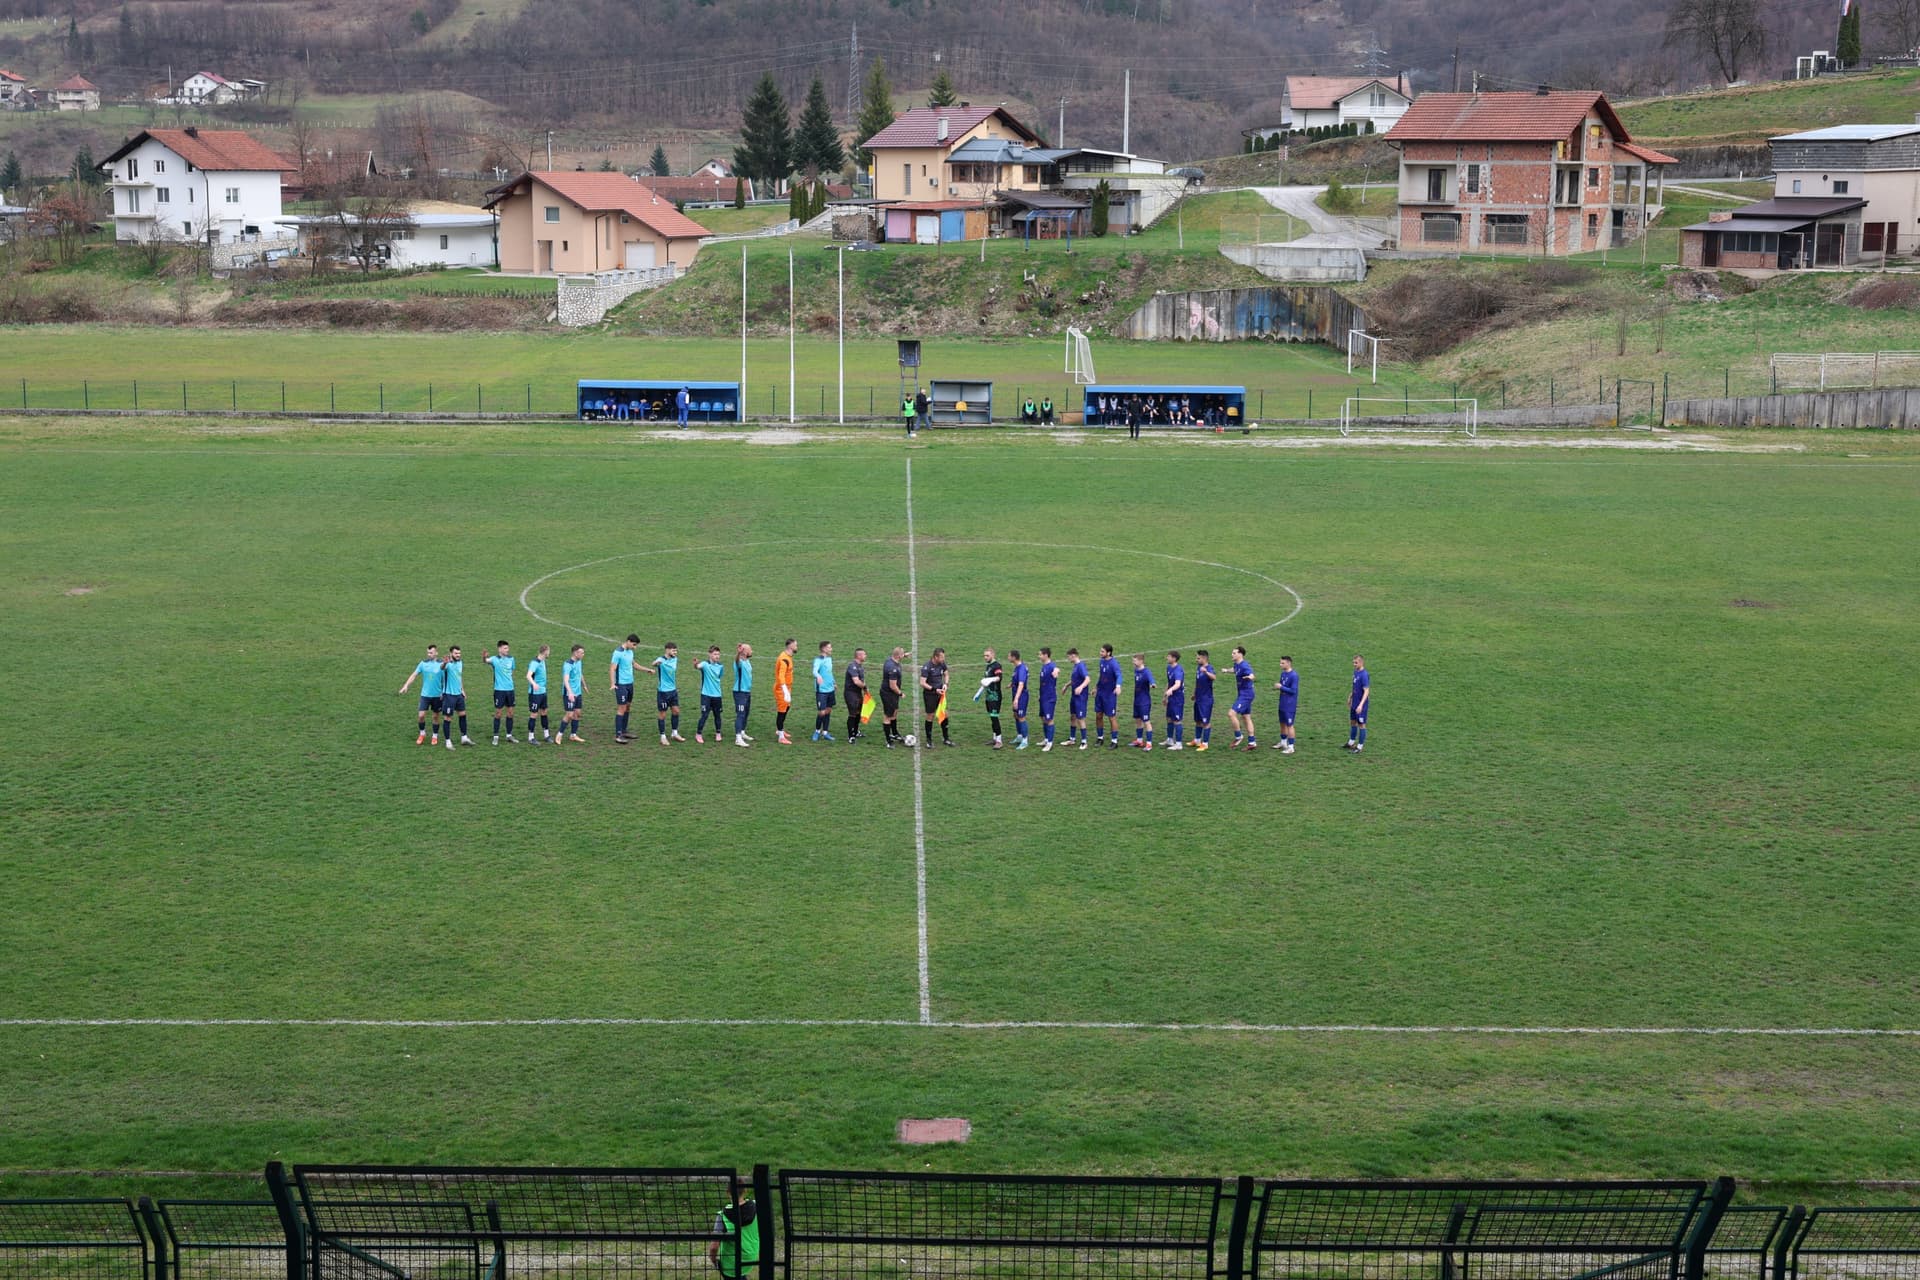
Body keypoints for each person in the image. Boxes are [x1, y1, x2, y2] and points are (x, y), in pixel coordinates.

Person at [708, 1179, 760, 1280]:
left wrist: (714, 1260)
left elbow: (714, 1247)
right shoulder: (757, 1206)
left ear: (728, 1192)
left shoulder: (722, 1216)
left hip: (730, 1265)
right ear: (745, 1191)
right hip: (751, 1258)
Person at [399, 643, 445, 745]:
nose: (429, 654)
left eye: (431, 652)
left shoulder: (442, 664)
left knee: (435, 717)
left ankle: (434, 736)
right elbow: (414, 675)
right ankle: (422, 733)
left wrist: (444, 692)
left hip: (437, 696)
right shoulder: (423, 664)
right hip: (425, 695)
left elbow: (446, 679)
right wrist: (406, 686)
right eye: (428, 652)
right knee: (421, 715)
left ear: (436, 653)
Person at [649, 641, 684, 745]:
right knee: (662, 714)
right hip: (663, 692)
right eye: (673, 650)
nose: (675, 652)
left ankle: (674, 733)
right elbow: (654, 663)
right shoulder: (661, 659)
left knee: (676, 711)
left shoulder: (675, 659)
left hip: (673, 691)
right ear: (667, 650)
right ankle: (662, 736)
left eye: (676, 650)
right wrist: (656, 664)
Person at [486, 640, 517, 746]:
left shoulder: (511, 659)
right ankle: (496, 736)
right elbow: (486, 661)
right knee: (498, 713)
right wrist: (484, 656)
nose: (507, 650)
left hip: (510, 690)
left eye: (507, 648)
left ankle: (509, 735)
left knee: (510, 712)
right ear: (499, 649)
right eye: (505, 648)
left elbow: (512, 672)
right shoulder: (494, 659)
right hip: (499, 690)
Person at [919, 646, 951, 747]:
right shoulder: (927, 667)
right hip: (930, 695)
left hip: (940, 694)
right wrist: (934, 689)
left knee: (944, 714)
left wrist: (945, 684)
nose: (943, 659)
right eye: (941, 657)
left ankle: (946, 738)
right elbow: (922, 683)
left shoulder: (942, 664)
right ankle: (929, 741)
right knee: (930, 715)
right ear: (935, 657)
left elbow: (946, 674)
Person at [695, 645, 727, 744]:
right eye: (715, 654)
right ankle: (698, 734)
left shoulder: (720, 666)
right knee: (704, 715)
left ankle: (718, 733)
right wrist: (695, 664)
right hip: (706, 695)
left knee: (717, 715)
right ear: (710, 654)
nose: (717, 656)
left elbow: (719, 677)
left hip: (717, 695)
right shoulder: (705, 664)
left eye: (718, 654)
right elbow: (697, 667)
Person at [440, 644, 470, 749]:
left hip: (458, 695)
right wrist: (444, 663)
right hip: (449, 695)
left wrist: (463, 690)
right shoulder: (447, 663)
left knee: (462, 714)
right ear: (451, 653)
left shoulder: (460, 663)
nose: (458, 655)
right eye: (456, 653)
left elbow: (459, 677)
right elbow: (441, 668)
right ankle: (448, 741)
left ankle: (464, 737)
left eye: (459, 653)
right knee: (448, 718)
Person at [610, 634, 638, 744]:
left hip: (629, 684)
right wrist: (613, 683)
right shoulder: (618, 653)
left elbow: (634, 664)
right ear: (628, 641)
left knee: (627, 707)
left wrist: (646, 670)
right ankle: (618, 735)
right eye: (634, 645)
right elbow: (612, 669)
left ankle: (624, 731)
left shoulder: (630, 652)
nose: (635, 647)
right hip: (621, 685)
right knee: (621, 708)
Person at [1230, 645, 1258, 751]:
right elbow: (1235, 670)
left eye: (1234, 653)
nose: (1232, 654)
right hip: (1244, 694)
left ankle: (1238, 736)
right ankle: (1252, 742)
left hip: (1246, 695)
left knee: (1231, 713)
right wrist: (1227, 671)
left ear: (1240, 654)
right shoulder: (1237, 665)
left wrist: (1250, 677)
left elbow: (1252, 674)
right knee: (1246, 717)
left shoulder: (1244, 665)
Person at [1095, 644, 1122, 748]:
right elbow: (1102, 676)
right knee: (1098, 715)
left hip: (1109, 695)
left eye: (1102, 651)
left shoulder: (1114, 664)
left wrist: (1118, 686)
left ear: (1108, 653)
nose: (1100, 653)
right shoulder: (1101, 661)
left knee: (1111, 717)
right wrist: (1096, 687)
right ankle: (1100, 738)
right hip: (1100, 693)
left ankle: (1114, 741)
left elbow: (1119, 675)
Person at [811, 640, 836, 742]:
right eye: (829, 647)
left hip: (830, 689)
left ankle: (825, 732)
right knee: (822, 712)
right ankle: (817, 731)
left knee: (828, 710)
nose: (831, 649)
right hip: (821, 690)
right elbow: (814, 671)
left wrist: (834, 682)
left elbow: (830, 672)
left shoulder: (829, 659)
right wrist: (818, 676)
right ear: (824, 649)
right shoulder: (818, 660)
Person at [773, 638, 797, 745]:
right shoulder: (784, 659)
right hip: (782, 689)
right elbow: (781, 675)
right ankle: (781, 736)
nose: (797, 647)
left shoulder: (788, 657)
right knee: (781, 712)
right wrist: (785, 690)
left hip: (787, 688)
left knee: (787, 707)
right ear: (790, 646)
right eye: (795, 645)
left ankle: (780, 730)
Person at [1130, 652, 1156, 750]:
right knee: (1138, 720)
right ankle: (1139, 740)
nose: (1133, 662)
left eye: (1135, 660)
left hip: (1144, 702)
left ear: (1141, 661)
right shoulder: (1136, 670)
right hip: (1137, 700)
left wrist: (1152, 684)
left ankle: (1149, 743)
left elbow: (1151, 679)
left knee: (1146, 721)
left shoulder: (1146, 672)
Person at [1273, 655, 1299, 753]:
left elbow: (1293, 691)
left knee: (1289, 725)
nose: (1280, 665)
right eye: (1280, 663)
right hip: (1282, 703)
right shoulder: (1283, 674)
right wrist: (1278, 686)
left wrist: (1281, 687)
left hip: (1289, 705)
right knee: (1282, 724)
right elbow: (1282, 685)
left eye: (1282, 663)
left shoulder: (1294, 676)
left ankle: (1291, 747)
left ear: (1289, 663)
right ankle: (1283, 742)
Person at [980, 647, 1004, 749]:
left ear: (993, 655)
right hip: (989, 696)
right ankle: (995, 738)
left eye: (987, 655)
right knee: (991, 717)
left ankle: (999, 741)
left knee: (994, 717)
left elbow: (999, 677)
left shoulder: (996, 665)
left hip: (995, 697)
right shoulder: (989, 666)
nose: (985, 657)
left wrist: (989, 679)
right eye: (984, 656)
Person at [561, 644, 586, 743]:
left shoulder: (579, 662)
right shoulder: (568, 664)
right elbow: (566, 680)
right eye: (582, 653)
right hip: (569, 694)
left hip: (578, 693)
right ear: (576, 653)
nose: (583, 654)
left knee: (578, 714)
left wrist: (584, 685)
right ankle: (560, 734)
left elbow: (580, 674)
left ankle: (573, 735)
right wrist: (570, 692)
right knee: (570, 715)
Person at [526, 644, 551, 743]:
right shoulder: (535, 663)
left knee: (544, 712)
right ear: (545, 651)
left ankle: (546, 735)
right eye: (549, 651)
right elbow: (528, 675)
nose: (549, 653)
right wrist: (534, 684)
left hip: (543, 692)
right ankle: (531, 737)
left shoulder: (543, 661)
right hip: (535, 693)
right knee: (534, 714)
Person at [881, 647, 906, 747]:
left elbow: (897, 655)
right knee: (888, 716)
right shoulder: (893, 669)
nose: (903, 655)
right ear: (898, 656)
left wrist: (905, 655)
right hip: (889, 694)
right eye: (902, 654)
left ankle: (895, 733)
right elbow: (893, 685)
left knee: (894, 712)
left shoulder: (889, 660)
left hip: (891, 694)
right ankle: (888, 741)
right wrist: (900, 693)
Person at [732, 642, 755, 747]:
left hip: (747, 692)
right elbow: (736, 661)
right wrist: (738, 653)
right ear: (744, 652)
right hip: (740, 692)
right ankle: (738, 738)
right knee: (740, 714)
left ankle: (742, 732)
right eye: (750, 649)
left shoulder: (747, 661)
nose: (752, 651)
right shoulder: (739, 662)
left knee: (746, 713)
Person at [1067, 647, 1090, 750]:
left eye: (1069, 657)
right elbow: (1075, 679)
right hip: (1074, 696)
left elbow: (1087, 679)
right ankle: (1072, 739)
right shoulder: (1076, 666)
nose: (1068, 659)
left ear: (1073, 655)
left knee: (1080, 719)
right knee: (1073, 716)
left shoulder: (1081, 666)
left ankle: (1084, 742)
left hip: (1080, 697)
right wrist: (1066, 685)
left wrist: (1081, 687)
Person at [1346, 655, 1370, 753]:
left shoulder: (1364, 675)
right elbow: (1355, 687)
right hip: (1354, 703)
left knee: (1361, 725)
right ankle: (1351, 743)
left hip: (1361, 704)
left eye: (1356, 663)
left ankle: (1359, 747)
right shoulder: (1356, 672)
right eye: (1353, 662)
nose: (1354, 664)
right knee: (1352, 722)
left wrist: (1361, 705)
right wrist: (1350, 696)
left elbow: (1366, 691)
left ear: (1361, 662)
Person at [1035, 647, 1058, 752]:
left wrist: (1056, 672)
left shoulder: (1051, 666)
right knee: (1043, 718)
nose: (1039, 656)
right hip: (1043, 696)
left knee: (1049, 719)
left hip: (1049, 697)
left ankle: (1050, 743)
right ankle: (1046, 739)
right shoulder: (1044, 666)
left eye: (1040, 654)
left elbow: (1056, 669)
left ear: (1046, 655)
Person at [1193, 649, 1215, 752]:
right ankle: (1197, 740)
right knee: (1198, 721)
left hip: (1206, 700)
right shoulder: (1198, 668)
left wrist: (1206, 672)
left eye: (1198, 658)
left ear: (1204, 658)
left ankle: (1205, 744)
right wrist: (1194, 693)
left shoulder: (1209, 668)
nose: (1196, 660)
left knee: (1206, 722)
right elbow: (1197, 682)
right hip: (1198, 698)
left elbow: (1214, 677)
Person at [1163, 650, 1185, 751]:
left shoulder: (1178, 670)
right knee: (1169, 718)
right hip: (1171, 697)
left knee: (1177, 720)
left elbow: (1177, 684)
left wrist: (1170, 690)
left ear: (1174, 658)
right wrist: (1165, 696)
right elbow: (1169, 682)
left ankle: (1179, 744)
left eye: (1169, 656)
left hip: (1177, 698)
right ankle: (1170, 739)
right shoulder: (1169, 668)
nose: (1167, 658)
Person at [844, 647, 868, 743]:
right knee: (853, 714)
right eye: (864, 654)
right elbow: (856, 681)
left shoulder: (860, 666)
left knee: (859, 713)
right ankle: (851, 736)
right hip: (851, 694)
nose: (865, 656)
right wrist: (864, 687)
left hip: (857, 693)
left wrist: (865, 690)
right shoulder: (852, 666)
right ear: (859, 656)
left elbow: (861, 680)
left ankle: (856, 731)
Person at [1009, 649, 1030, 750]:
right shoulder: (1017, 667)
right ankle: (1019, 736)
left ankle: (1025, 740)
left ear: (1014, 657)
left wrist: (1016, 699)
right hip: (1016, 694)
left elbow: (1021, 684)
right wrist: (1011, 684)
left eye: (1009, 656)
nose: (1008, 658)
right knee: (1016, 715)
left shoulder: (1021, 668)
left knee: (1021, 717)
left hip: (1021, 696)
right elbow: (1017, 681)